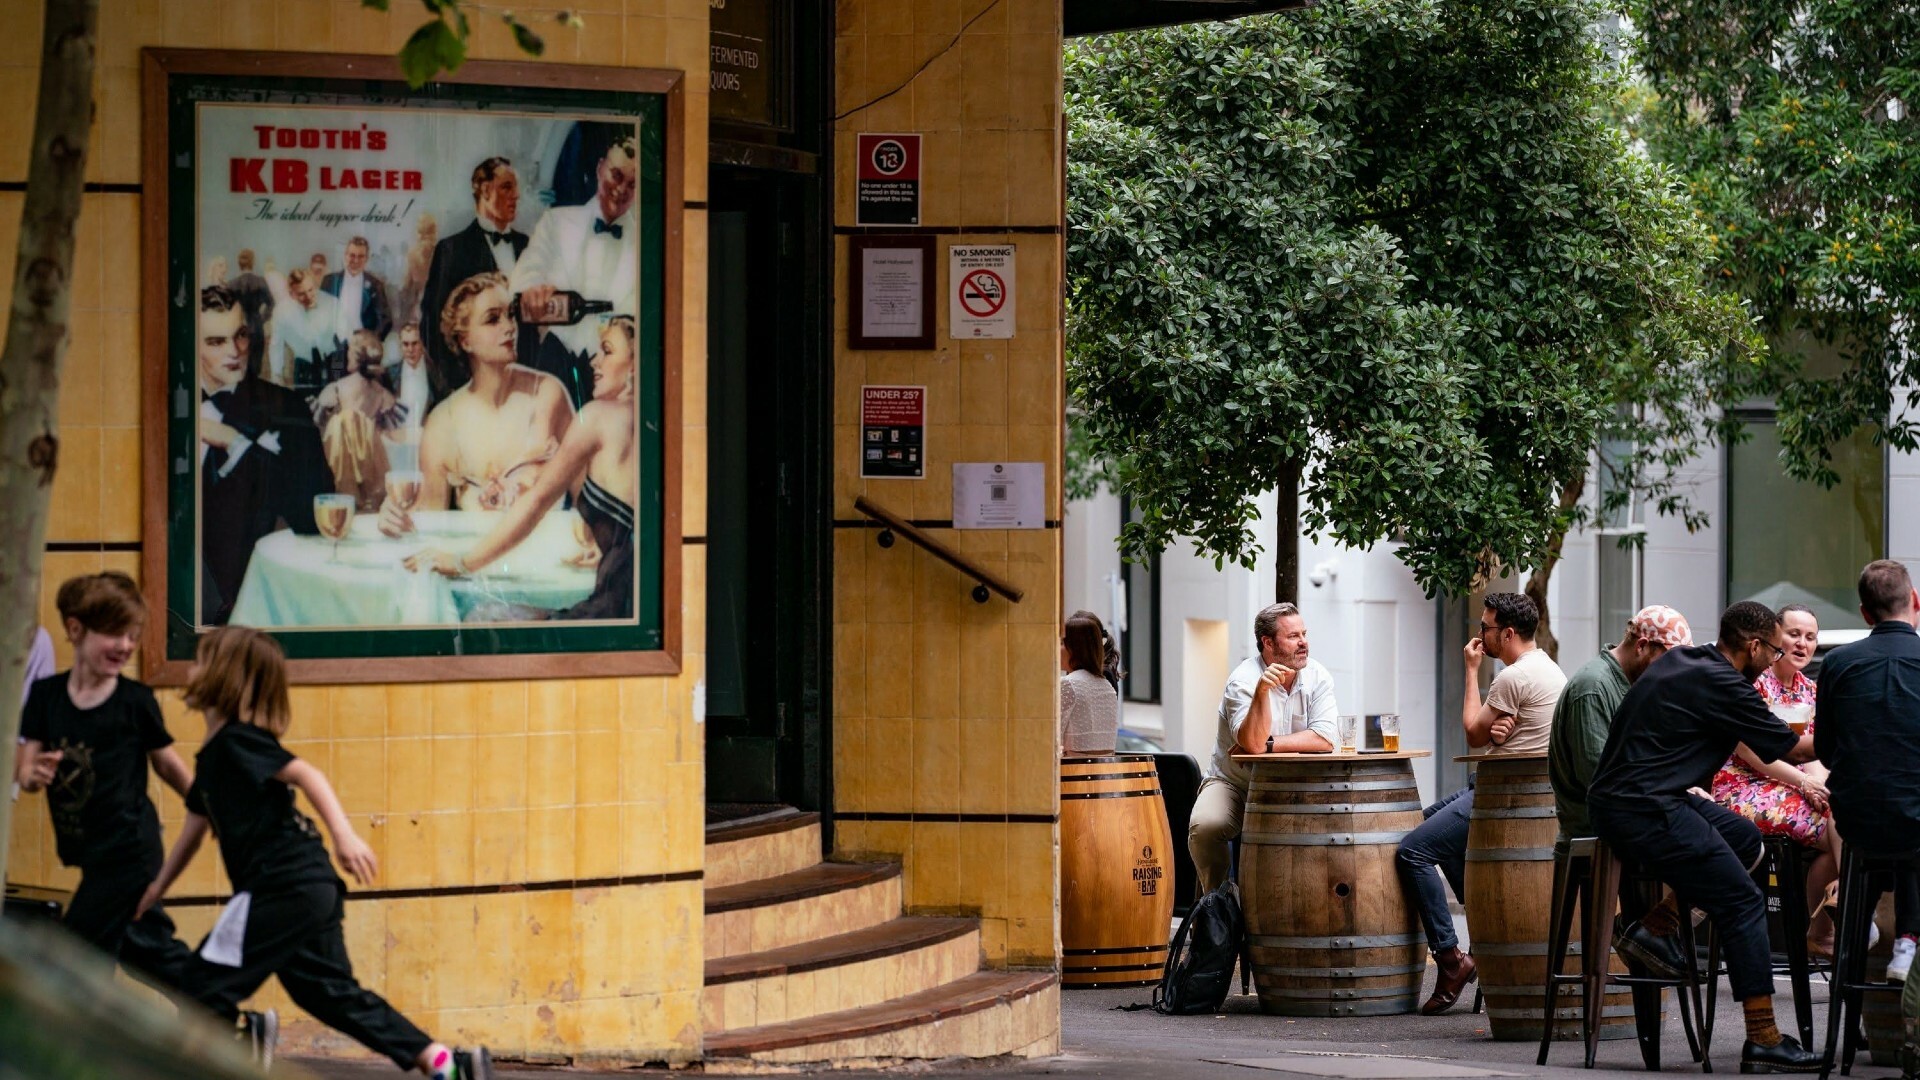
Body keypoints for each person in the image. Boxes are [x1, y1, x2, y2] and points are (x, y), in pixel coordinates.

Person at [140, 626, 493, 1079]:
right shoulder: (215, 755)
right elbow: (196, 825)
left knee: (202, 985)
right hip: (307, 887)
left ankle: (220, 1055)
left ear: (224, 676)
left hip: (282, 885)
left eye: (203, 660)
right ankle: (443, 1062)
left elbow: (305, 774)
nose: (194, 669)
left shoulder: (238, 742)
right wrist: (157, 889)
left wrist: (344, 835)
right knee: (326, 992)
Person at [1588, 601, 1822, 1072]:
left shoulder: (1684, 660)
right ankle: (1763, 1037)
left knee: (1743, 838)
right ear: (1754, 646)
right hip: (1643, 808)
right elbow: (1793, 748)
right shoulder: (1725, 684)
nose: (1779, 657)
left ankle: (1655, 930)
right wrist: (1856, 731)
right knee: (1742, 902)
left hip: (1632, 796)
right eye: (1775, 649)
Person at [13, 573, 197, 992]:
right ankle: (230, 1017)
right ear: (76, 630)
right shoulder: (46, 697)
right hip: (90, 850)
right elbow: (25, 769)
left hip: (130, 848)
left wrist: (209, 807)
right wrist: (32, 774)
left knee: (74, 958)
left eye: (132, 636)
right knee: (143, 949)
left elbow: (168, 765)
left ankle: (66, 1043)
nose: (126, 646)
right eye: (114, 634)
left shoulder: (134, 702)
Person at [1398, 592, 1566, 1014]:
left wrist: (1471, 670)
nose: (1480, 635)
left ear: (1507, 633)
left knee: (1412, 851)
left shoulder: (1511, 678)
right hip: (1498, 786)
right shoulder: (1546, 666)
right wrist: (1503, 732)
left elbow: (1473, 733)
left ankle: (1451, 958)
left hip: (1503, 797)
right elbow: (1498, 731)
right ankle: (1487, 920)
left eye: (1485, 627)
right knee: (1427, 828)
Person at [404, 317, 633, 619]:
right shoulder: (646, 424)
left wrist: (462, 563)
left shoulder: (596, 417)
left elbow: (537, 501)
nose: (594, 361)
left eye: (607, 351)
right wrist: (609, 542)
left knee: (483, 617)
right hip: (631, 602)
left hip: (614, 605)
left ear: (635, 365)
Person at [378, 272, 573, 531]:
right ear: (465, 340)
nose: (509, 327)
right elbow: (429, 524)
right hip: (472, 566)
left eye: (510, 315)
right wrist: (394, 516)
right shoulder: (442, 424)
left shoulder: (548, 394)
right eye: (493, 319)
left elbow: (592, 502)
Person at [1710, 603, 1845, 957]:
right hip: (1742, 786)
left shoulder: (1811, 691)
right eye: (1793, 634)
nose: (1802, 643)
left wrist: (1822, 788)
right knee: (1837, 824)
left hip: (1791, 787)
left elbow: (1813, 758)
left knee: (1843, 811)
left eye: (1811, 637)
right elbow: (1751, 754)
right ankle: (1829, 921)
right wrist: (1805, 784)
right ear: (1774, 638)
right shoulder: (1754, 684)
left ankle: (1822, 926)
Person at [197, 284, 331, 625]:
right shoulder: (168, 410)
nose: (235, 351)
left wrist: (235, 442)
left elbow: (313, 516)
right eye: (216, 342)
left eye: (240, 335)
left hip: (257, 610)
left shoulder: (286, 408)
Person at [1816, 560, 1920, 984]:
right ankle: (1908, 939)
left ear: (1864, 612)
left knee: (1896, 823)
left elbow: (1824, 749)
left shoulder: (1838, 664)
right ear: (1915, 602)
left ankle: (1857, 930)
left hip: (1856, 821)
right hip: (1911, 820)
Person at [1189, 603, 1338, 896]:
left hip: (1293, 786)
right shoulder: (1242, 681)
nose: (1304, 642)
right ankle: (1217, 910)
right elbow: (1252, 742)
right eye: (1293, 636)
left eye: (1304, 634)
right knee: (1205, 827)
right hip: (1236, 783)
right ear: (1268, 643)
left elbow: (1324, 738)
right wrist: (1262, 693)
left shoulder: (1318, 676)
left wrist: (1269, 745)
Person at [510, 135, 639, 409]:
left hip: (616, 379)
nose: (621, 189)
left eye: (632, 184)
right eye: (616, 175)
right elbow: (523, 278)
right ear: (600, 168)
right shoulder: (556, 221)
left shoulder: (645, 242)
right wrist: (534, 291)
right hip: (555, 363)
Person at [1549, 604, 1693, 841]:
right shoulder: (1593, 687)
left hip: (1635, 823)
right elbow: (1601, 777)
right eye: (1669, 662)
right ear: (1642, 646)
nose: (1674, 672)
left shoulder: (1640, 685)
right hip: (1600, 832)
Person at [422, 157, 527, 388]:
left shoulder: (529, 246)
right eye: (507, 187)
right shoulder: (452, 249)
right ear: (485, 190)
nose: (516, 195)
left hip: (525, 385)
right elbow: (433, 326)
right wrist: (459, 385)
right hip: (472, 385)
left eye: (515, 188)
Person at [314, 329, 405, 513]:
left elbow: (318, 423)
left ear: (357, 356)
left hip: (341, 464)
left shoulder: (337, 389)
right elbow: (394, 428)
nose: (346, 354)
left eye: (349, 351)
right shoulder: (382, 394)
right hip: (371, 462)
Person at [264, 268, 345, 399]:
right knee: (303, 409)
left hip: (333, 362)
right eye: (301, 294)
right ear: (291, 294)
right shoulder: (282, 311)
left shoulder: (332, 303)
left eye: (311, 290)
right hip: (303, 366)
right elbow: (276, 345)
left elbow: (343, 342)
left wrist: (338, 377)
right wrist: (277, 374)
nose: (308, 297)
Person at [1059, 612, 1120, 755]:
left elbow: (1051, 738)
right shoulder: (1107, 686)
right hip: (1105, 774)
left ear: (1075, 648)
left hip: (1073, 774)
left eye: (1062, 642)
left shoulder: (1068, 684)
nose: (1057, 647)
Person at [322, 236, 394, 345]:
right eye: (352, 255)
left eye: (361, 256)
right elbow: (318, 313)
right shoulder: (329, 281)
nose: (356, 260)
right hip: (332, 347)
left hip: (362, 348)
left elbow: (385, 319)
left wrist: (372, 342)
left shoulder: (376, 285)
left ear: (366, 259)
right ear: (345, 255)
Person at [226, 248, 273, 378]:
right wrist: (262, 318)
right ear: (253, 262)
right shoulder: (260, 281)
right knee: (255, 366)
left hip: (238, 327)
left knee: (238, 363)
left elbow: (226, 308)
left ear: (239, 264)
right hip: (256, 325)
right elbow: (271, 304)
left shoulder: (231, 284)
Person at [394, 212, 438, 331]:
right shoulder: (442, 251)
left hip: (420, 304)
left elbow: (406, 284)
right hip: (439, 303)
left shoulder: (413, 254)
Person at [393, 322, 432, 433]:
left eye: (414, 343)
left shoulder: (435, 374)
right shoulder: (391, 374)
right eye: (406, 344)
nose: (410, 349)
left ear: (422, 344)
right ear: (400, 346)